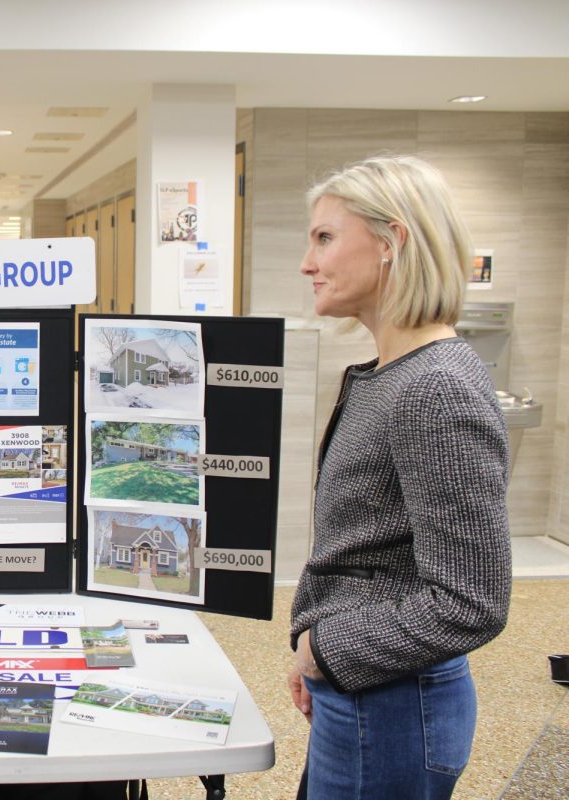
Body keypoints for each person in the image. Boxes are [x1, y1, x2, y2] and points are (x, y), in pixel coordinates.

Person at [289, 155, 511, 799]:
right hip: (365, 691)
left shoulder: (434, 388)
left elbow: (470, 601)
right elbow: (368, 554)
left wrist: (328, 649)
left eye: (325, 238)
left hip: (393, 708)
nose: (309, 262)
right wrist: (320, 650)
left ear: (393, 243)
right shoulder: (391, 375)